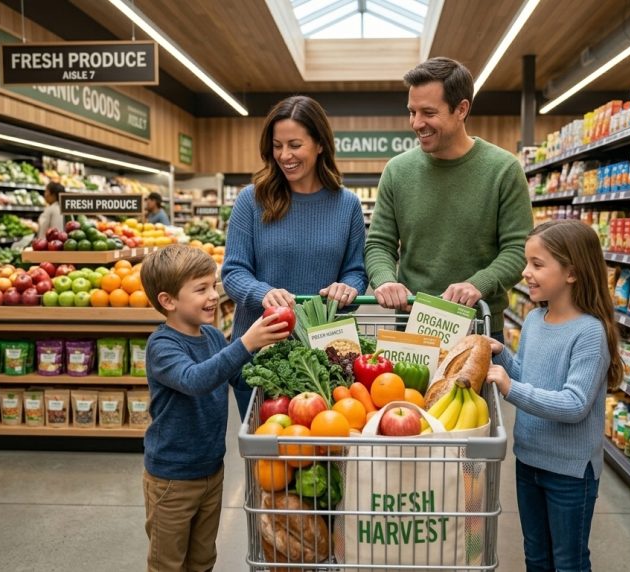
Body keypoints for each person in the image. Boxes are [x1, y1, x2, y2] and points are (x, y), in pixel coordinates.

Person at [139, 244, 289, 572]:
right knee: (168, 561)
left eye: (213, 285)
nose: (212, 296)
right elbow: (195, 379)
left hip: (211, 469)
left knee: (203, 557)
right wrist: (246, 342)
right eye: (201, 289)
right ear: (168, 301)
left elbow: (235, 376)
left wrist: (276, 373)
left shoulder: (210, 335)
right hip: (171, 478)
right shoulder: (162, 346)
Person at [485, 219, 624, 572]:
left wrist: (509, 387)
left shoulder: (590, 333)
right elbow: (527, 377)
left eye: (537, 264)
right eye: (526, 263)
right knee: (536, 556)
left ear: (572, 273)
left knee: (569, 562)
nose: (525, 273)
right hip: (529, 461)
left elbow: (574, 405)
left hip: (570, 473)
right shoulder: (534, 320)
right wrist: (500, 353)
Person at [364, 57, 532, 341]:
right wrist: (385, 280)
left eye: (428, 112)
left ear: (461, 109)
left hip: (479, 326)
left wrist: (478, 284)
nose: (417, 123)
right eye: (412, 112)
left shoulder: (503, 169)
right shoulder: (397, 170)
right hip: (411, 325)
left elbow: (518, 249)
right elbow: (379, 243)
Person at [222, 95, 367, 417]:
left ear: (319, 145)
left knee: (324, 456)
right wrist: (264, 293)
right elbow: (233, 272)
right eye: (277, 146)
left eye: (295, 145)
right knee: (268, 460)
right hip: (262, 349)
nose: (284, 155)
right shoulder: (251, 200)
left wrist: (348, 288)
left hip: (325, 353)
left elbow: (356, 271)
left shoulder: (347, 205)